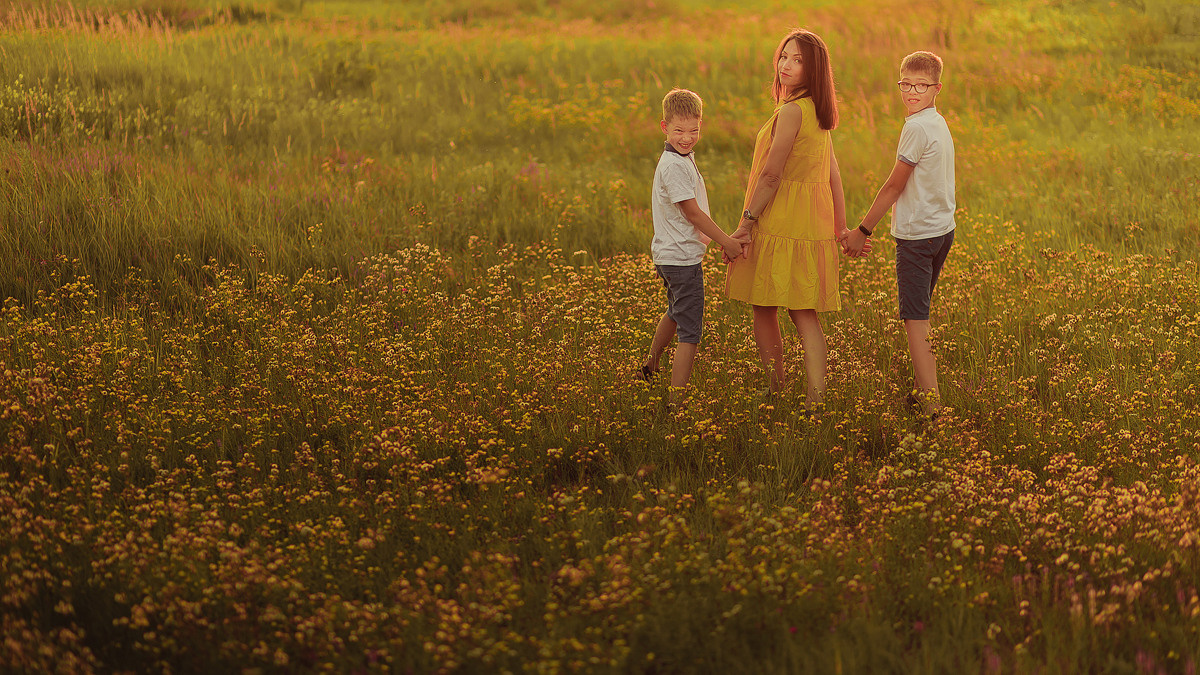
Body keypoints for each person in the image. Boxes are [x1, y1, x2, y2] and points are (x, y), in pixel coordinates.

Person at [724, 28, 863, 412]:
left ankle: (776, 389)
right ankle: (815, 400)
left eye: (798, 60)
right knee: (803, 312)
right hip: (809, 223)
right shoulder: (817, 110)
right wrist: (839, 227)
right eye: (784, 56)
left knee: (766, 305)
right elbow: (833, 174)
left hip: (780, 220)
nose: (786, 65)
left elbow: (771, 175)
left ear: (813, 69)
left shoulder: (791, 111)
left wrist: (746, 223)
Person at [840, 51, 956, 417]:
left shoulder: (916, 128)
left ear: (937, 88)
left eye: (921, 86)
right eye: (906, 84)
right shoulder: (937, 122)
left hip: (918, 237)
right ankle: (922, 390)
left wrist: (862, 230)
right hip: (942, 232)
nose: (912, 92)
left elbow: (893, 186)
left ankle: (932, 408)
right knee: (921, 312)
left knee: (915, 318)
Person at [640, 88, 748, 406]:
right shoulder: (674, 165)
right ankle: (676, 404)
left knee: (675, 311)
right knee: (690, 331)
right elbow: (692, 213)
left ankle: (650, 365)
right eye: (678, 131)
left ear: (701, 125)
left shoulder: (681, 157)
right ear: (664, 127)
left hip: (670, 255)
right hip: (681, 259)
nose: (686, 138)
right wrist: (727, 241)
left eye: (693, 131)